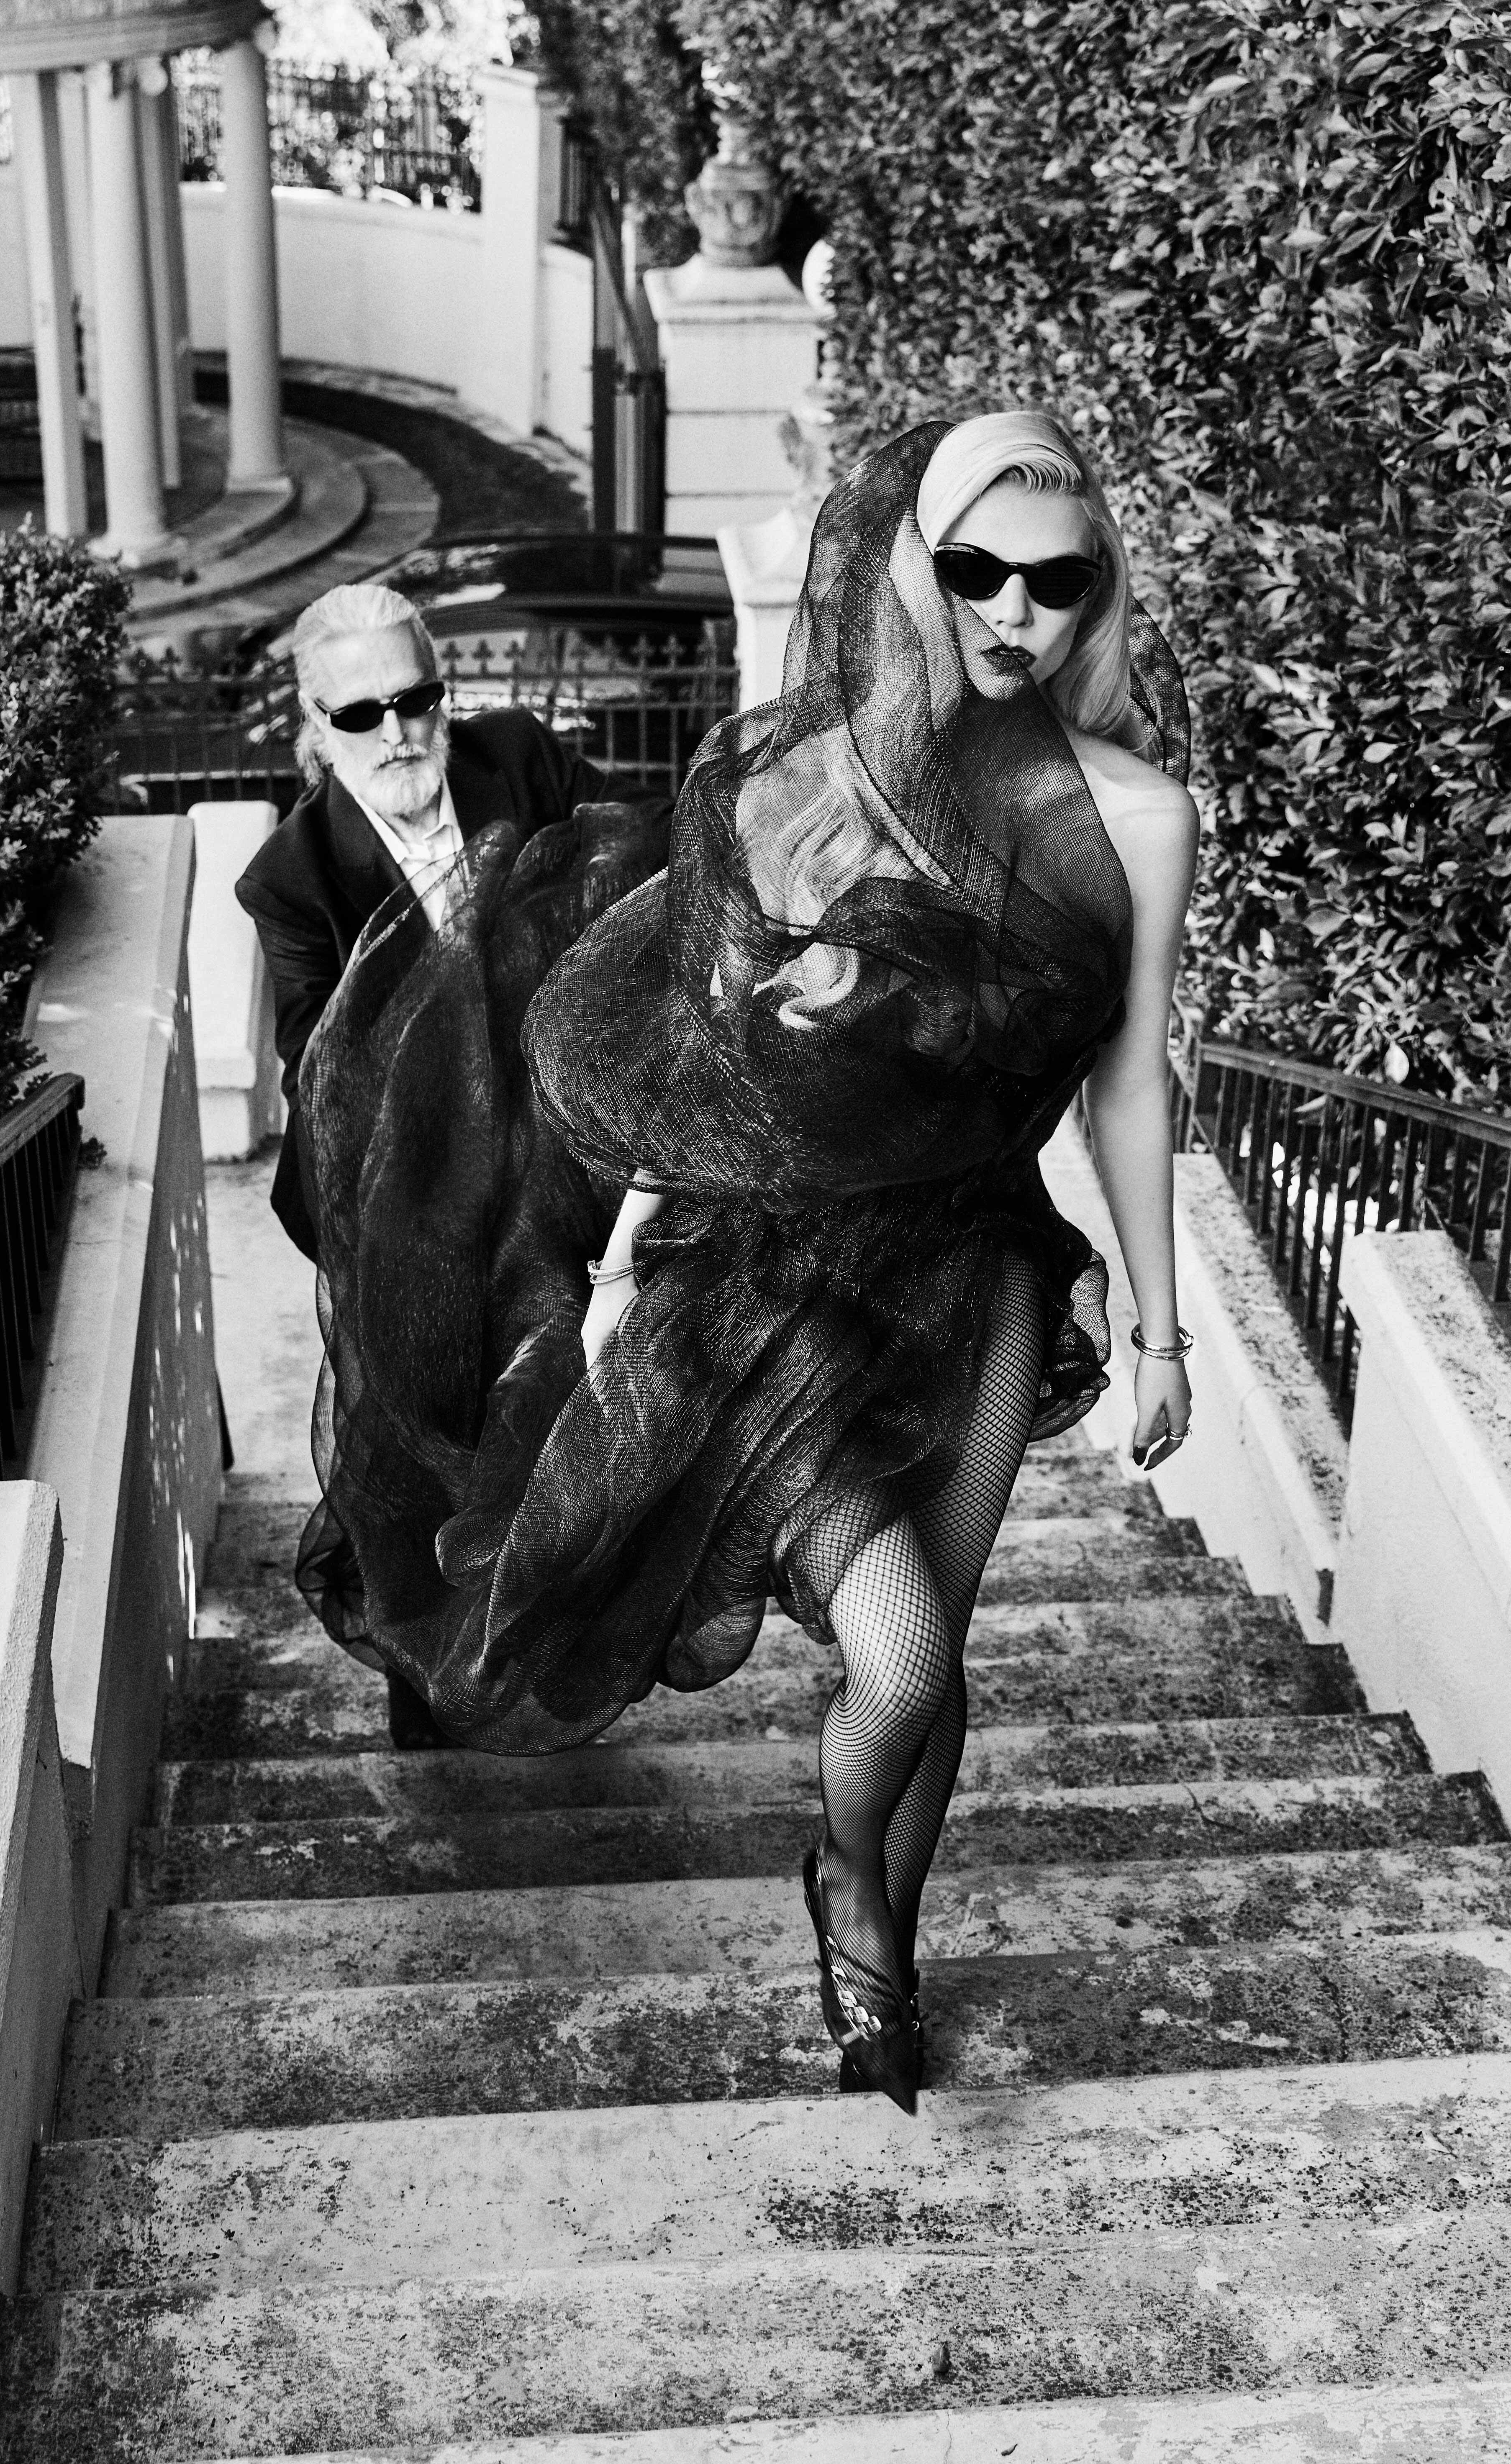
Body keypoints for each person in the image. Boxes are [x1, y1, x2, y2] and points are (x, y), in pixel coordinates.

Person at [293, 414, 1197, 2110]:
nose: (1013, 612)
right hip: (777, 1292)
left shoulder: (1139, 817)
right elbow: (692, 1072)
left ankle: (880, 1949)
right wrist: (620, 1274)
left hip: (981, 1275)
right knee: (897, 1658)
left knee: (935, 1665)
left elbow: (1130, 1081)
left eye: (1056, 579)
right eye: (975, 570)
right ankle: (843, 1879)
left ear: (1098, 593)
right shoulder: (799, 784)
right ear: (913, 576)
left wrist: (1158, 1327)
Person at [236, 581, 651, 1748]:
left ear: (444, 694)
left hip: (563, 1174)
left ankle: (558, 1659)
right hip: (406, 1207)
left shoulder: (521, 761)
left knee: (569, 1423)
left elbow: (636, 892)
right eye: (360, 714)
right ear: (316, 727)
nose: (398, 733)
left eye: (416, 700)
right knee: (421, 1458)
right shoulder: (294, 877)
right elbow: (320, 1067)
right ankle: (434, 1690)